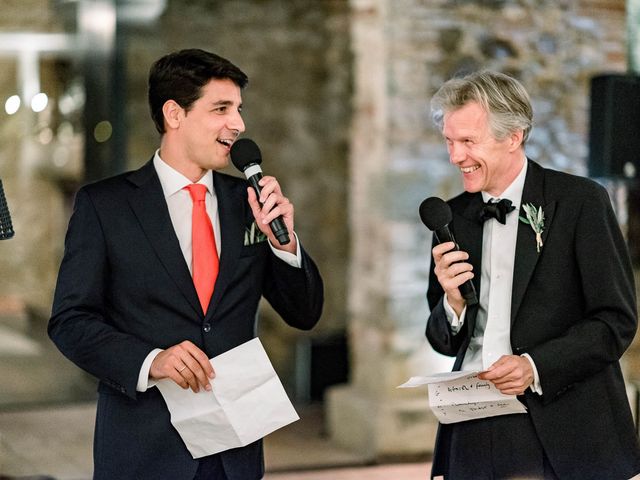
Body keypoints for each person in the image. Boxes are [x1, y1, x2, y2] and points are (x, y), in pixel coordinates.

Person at [48, 48, 324, 480]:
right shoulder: (105, 206)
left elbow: (305, 313)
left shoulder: (246, 203)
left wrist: (283, 246)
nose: (238, 124)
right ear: (174, 114)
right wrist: (150, 361)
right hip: (144, 449)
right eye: (221, 108)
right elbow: (70, 320)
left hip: (236, 453)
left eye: (238, 109)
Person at [425, 70, 640, 479]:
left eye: (468, 141)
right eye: (449, 142)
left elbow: (616, 321)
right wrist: (451, 304)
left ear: (513, 136)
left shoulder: (580, 202)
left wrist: (534, 366)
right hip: (472, 422)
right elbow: (440, 339)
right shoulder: (450, 216)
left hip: (564, 417)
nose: (455, 156)